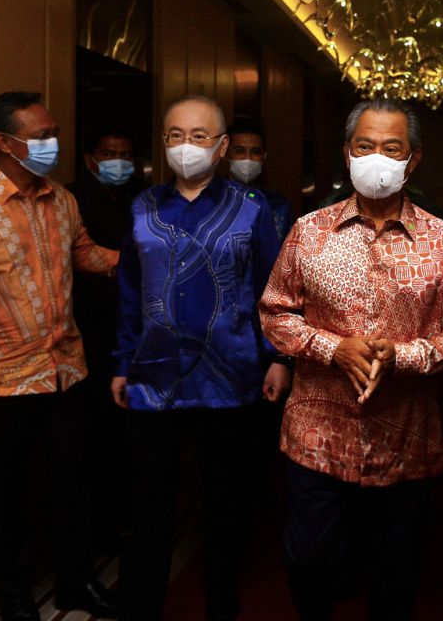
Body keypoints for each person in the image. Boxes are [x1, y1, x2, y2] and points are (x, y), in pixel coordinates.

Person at [258, 98, 443, 620]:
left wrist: (405, 355)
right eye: (365, 147)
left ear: (414, 159)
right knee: (308, 562)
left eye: (391, 148)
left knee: (396, 573)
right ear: (346, 153)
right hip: (318, 434)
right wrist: (331, 348)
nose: (376, 159)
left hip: (405, 438)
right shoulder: (308, 232)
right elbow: (274, 312)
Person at [0, 92, 120, 621]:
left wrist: (148, 260)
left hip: (66, 369)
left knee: (73, 485)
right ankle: (14, 595)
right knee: (5, 494)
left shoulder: (62, 200)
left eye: (52, 132)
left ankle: (75, 583)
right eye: (40, 136)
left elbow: (85, 254)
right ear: (4, 143)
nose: (51, 144)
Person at [112, 95, 289, 621]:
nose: (184, 146)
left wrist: (278, 356)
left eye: (196, 136)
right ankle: (140, 606)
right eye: (173, 136)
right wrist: (121, 362)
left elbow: (275, 290)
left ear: (221, 145)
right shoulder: (142, 207)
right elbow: (127, 287)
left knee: (225, 503)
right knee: (148, 504)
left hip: (231, 375)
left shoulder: (252, 208)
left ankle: (220, 603)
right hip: (154, 375)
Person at [68, 127, 147, 551]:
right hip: (86, 332)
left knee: (128, 434)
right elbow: (80, 256)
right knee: (91, 438)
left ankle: (124, 521)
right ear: (90, 158)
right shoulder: (69, 200)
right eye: (108, 152)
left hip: (134, 332)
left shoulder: (143, 199)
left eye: (126, 153)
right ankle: (97, 530)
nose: (118, 160)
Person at [226, 117, 295, 241]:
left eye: (256, 151)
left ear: (264, 156)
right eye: (239, 151)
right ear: (226, 153)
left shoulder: (279, 206)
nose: (248, 158)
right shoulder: (211, 201)